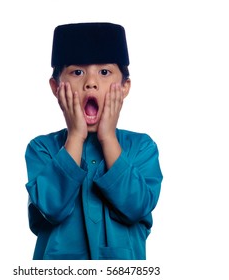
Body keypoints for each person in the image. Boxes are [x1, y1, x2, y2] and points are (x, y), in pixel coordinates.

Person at [24, 22, 163, 260]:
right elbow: (50, 208)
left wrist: (108, 138)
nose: (91, 82)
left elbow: (136, 207)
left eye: (105, 72)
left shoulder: (142, 147)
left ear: (124, 86)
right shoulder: (41, 148)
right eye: (77, 72)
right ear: (56, 87)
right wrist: (75, 136)